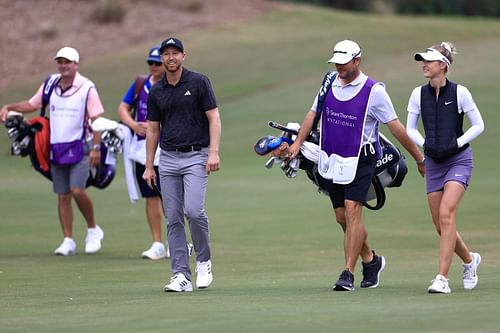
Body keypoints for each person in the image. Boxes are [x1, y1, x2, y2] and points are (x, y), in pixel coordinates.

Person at [288, 40, 425, 292]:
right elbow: (312, 113)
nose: (339, 67)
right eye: (336, 62)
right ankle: (371, 261)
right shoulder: (329, 82)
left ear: (357, 61)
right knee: (342, 218)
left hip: (362, 159)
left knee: (352, 212)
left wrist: (419, 158)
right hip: (331, 158)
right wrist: (297, 144)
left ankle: (347, 273)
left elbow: (395, 128)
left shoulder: (374, 91)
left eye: (344, 62)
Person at [0, 46, 105, 256]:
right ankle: (68, 240)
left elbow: (97, 120)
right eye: (60, 62)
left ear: (76, 64)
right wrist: (9, 106)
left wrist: (96, 148)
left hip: (81, 146)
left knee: (77, 190)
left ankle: (93, 230)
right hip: (56, 147)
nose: (63, 66)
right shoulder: (50, 84)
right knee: (62, 195)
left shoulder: (87, 87)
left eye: (67, 62)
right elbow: (32, 104)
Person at [143, 37, 221, 292]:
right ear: (162, 59)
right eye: (166, 54)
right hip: (167, 159)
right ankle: (180, 275)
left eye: (175, 53)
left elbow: (214, 118)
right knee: (173, 218)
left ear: (183, 56)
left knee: (194, 211)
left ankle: (203, 260)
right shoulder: (157, 90)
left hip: (196, 156)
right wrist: (149, 166)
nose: (171, 57)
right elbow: (153, 130)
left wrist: (213, 152)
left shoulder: (198, 82)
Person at [406, 42, 484, 294]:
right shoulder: (417, 94)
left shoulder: (460, 92)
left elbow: (478, 125)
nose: (424, 65)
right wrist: (425, 143)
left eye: (429, 61)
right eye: (422, 61)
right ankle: (470, 261)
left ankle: (442, 278)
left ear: (443, 65)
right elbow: (410, 129)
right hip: (433, 163)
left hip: (459, 160)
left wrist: (457, 143)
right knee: (440, 225)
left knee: (447, 214)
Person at [118, 45, 168, 260]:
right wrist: (133, 125)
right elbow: (122, 107)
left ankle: (176, 242)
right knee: (150, 197)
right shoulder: (141, 84)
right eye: (151, 63)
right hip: (142, 150)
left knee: (169, 198)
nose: (154, 66)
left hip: (166, 150)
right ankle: (157, 243)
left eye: (158, 63)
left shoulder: (171, 85)